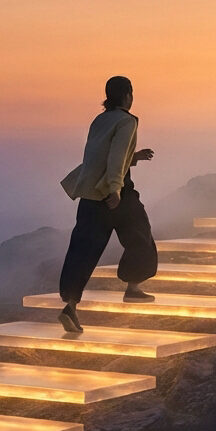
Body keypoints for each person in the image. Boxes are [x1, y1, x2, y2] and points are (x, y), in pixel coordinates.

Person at [56, 75, 159, 332]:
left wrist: (133, 157)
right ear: (127, 95)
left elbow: (100, 155)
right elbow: (114, 159)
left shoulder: (100, 120)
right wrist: (115, 190)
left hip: (90, 194)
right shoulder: (127, 121)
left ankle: (70, 306)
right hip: (115, 192)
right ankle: (133, 287)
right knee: (140, 234)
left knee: (82, 250)